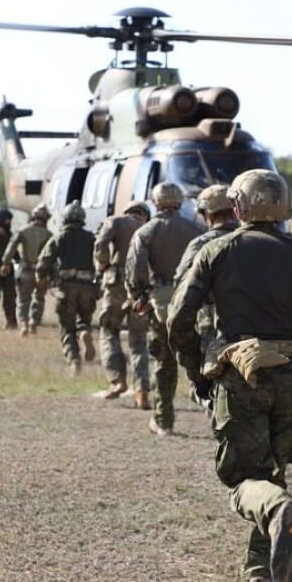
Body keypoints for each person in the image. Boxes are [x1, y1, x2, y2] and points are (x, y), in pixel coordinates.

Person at [168, 170, 292, 582]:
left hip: (240, 373)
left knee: (242, 480)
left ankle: (279, 511)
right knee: (272, 473)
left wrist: (197, 370)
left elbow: (178, 318)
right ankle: (259, 570)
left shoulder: (216, 250)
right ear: (284, 206)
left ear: (237, 206)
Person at [126, 182, 203, 436]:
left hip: (161, 301)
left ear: (156, 202)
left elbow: (136, 267)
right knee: (202, 358)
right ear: (180, 202)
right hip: (195, 301)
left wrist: (138, 295)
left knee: (164, 361)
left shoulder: (146, 231)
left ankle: (163, 421)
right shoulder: (198, 229)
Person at [172, 183, 239, 413]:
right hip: (256, 326)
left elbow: (182, 287)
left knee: (215, 386)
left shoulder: (201, 244)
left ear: (206, 214)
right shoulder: (256, 239)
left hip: (213, 326)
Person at [93, 201, 153, 406]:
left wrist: (102, 264)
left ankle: (117, 380)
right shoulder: (150, 228)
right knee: (139, 340)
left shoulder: (115, 221)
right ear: (145, 215)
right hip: (141, 290)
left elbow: (101, 242)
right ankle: (142, 391)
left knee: (109, 331)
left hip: (116, 285)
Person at [35, 201, 98, 374]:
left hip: (67, 288)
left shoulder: (59, 237)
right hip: (87, 287)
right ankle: (84, 331)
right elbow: (102, 259)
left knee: (67, 328)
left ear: (65, 218)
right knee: (84, 319)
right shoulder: (91, 238)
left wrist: (41, 278)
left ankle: (74, 361)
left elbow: (44, 261)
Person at [3, 203, 53, 336]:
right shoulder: (49, 235)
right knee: (39, 299)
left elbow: (11, 248)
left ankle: (23, 324)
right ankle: (33, 322)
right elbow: (52, 256)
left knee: (23, 300)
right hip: (41, 273)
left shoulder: (22, 231)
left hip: (25, 270)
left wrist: (6, 263)